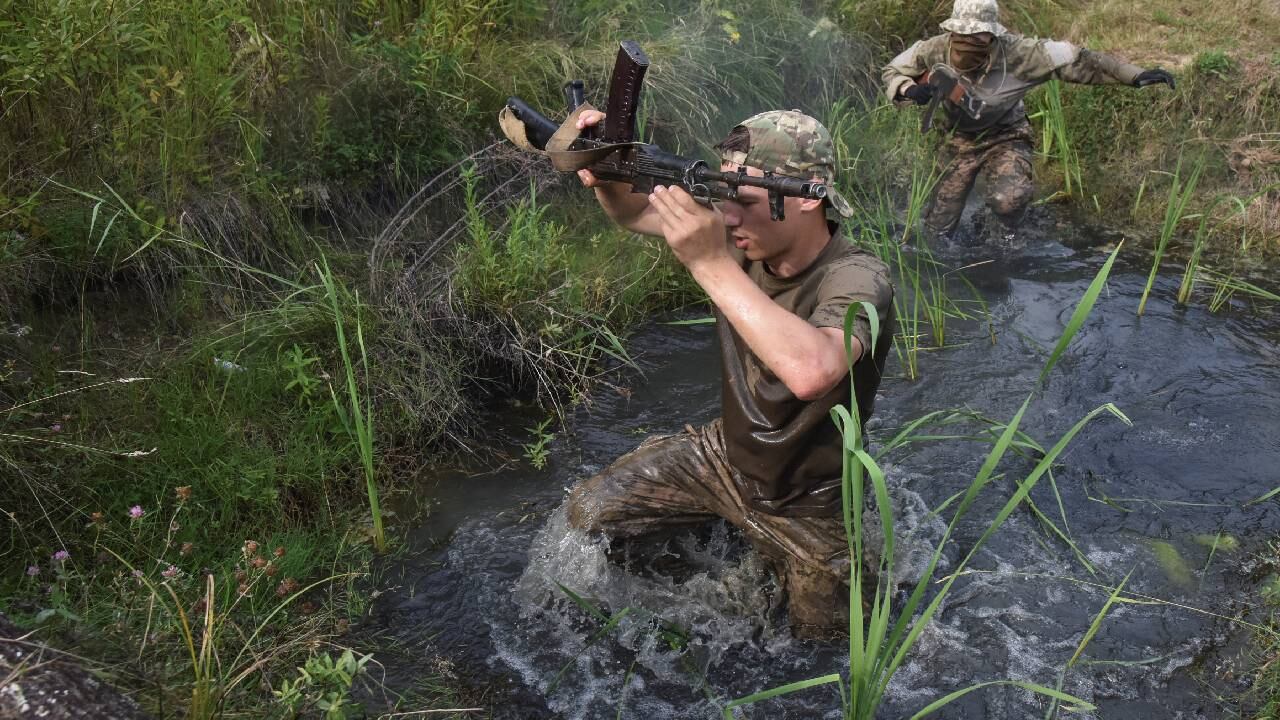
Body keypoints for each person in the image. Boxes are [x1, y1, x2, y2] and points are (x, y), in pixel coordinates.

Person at [564, 108, 895, 639]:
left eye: (742, 201)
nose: (728, 217)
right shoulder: (741, 240)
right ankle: (720, 589)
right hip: (724, 458)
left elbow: (814, 370)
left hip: (811, 500)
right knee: (591, 512)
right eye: (722, 198)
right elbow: (632, 214)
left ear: (808, 195)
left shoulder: (857, 276)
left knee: (825, 645)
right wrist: (604, 175)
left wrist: (709, 263)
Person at [882, 0, 1176, 242]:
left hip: (1006, 136)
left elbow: (1078, 60)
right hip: (957, 140)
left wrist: (1134, 75)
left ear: (992, 35)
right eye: (962, 35)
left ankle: (1003, 234)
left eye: (976, 36)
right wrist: (910, 89)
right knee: (937, 229)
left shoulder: (1022, 53)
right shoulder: (933, 49)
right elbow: (893, 70)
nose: (967, 41)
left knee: (1007, 199)